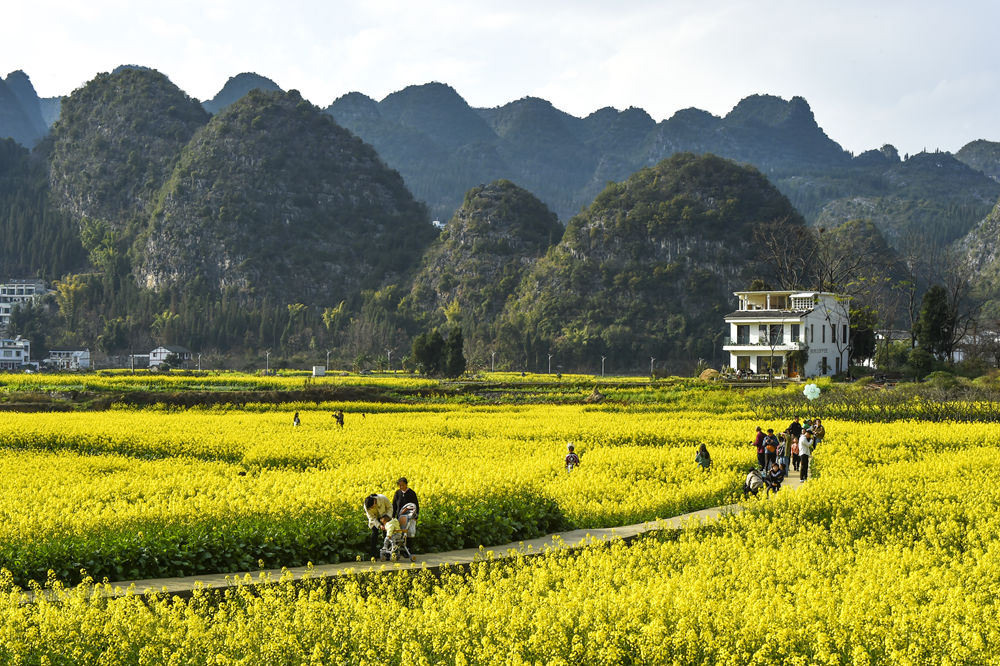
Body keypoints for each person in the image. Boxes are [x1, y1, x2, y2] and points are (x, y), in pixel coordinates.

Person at [392, 478, 419, 556]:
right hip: (400, 516)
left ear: (406, 484)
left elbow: (416, 505)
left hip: (410, 517)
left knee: (408, 533)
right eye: (400, 485)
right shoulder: (397, 493)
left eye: (403, 485)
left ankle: (407, 550)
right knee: (401, 533)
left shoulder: (411, 493)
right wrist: (393, 516)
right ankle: (400, 550)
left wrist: (415, 517)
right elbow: (394, 505)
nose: (401, 487)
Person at [363, 493, 392, 560]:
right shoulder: (366, 505)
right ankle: (373, 555)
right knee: (374, 534)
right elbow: (371, 518)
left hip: (385, 516)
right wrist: (379, 525)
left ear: (374, 501)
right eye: (370, 508)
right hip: (374, 518)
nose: (371, 508)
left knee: (387, 534)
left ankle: (387, 554)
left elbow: (390, 507)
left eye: (372, 507)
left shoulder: (383, 498)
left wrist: (387, 518)